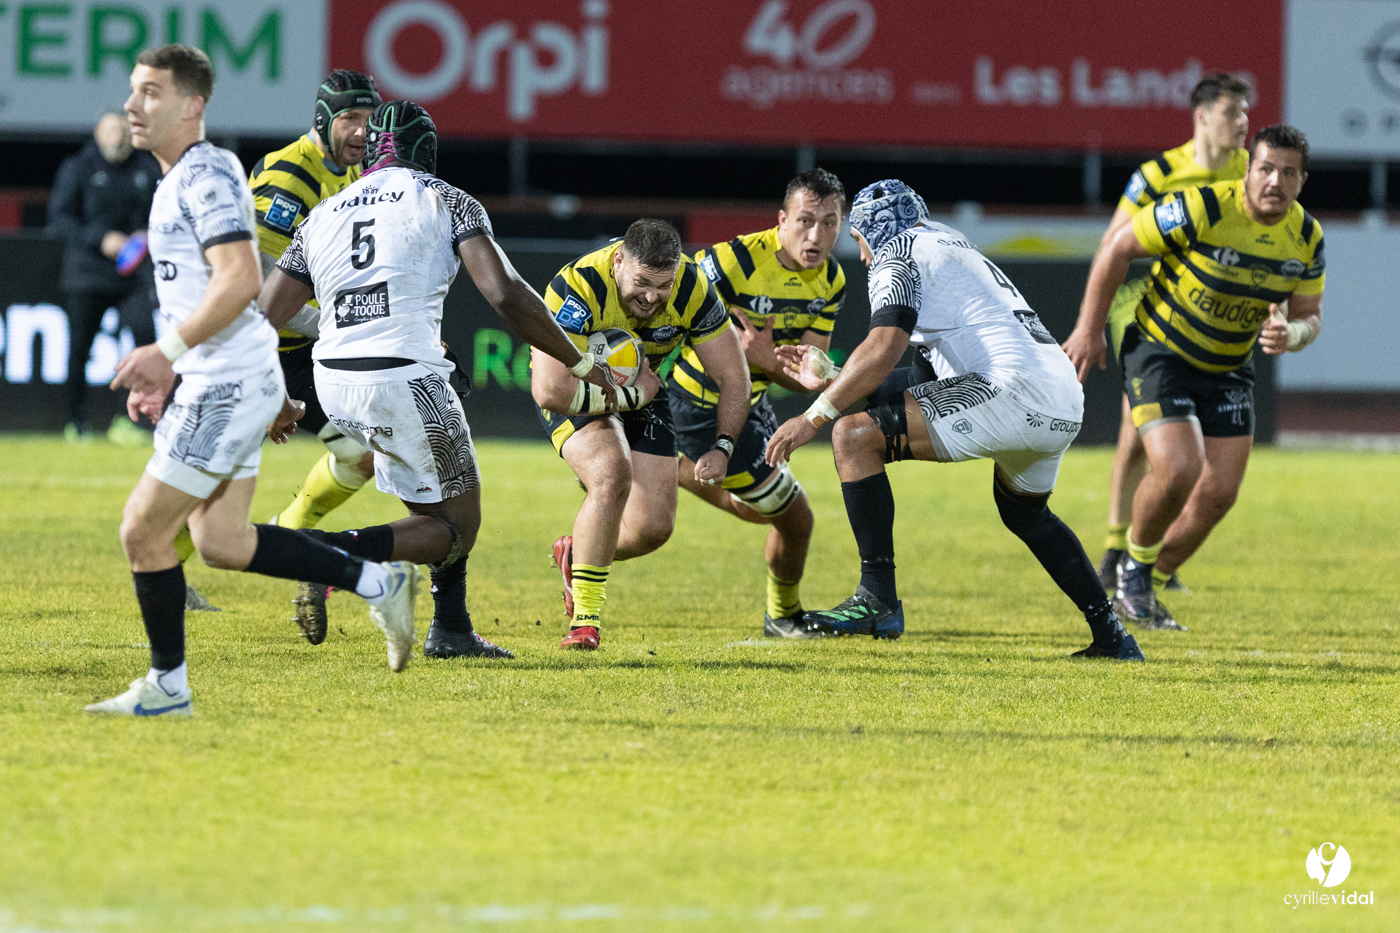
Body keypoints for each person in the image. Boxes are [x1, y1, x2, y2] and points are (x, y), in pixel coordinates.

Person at [88, 45, 418, 718]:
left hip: (222, 383)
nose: (131, 106)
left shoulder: (204, 175)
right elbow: (221, 291)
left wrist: (168, 352)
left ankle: (167, 686)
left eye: (150, 92)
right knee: (223, 542)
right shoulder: (187, 175)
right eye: (134, 91)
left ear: (193, 105)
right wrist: (211, 373)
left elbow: (244, 281)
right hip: (235, 374)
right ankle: (375, 579)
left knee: (141, 532)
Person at [260, 99, 619, 661]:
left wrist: (274, 394)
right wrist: (576, 359)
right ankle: (327, 551)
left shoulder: (322, 214)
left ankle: (450, 629)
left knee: (429, 507)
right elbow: (503, 294)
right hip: (403, 376)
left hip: (331, 382)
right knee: (457, 525)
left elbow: (262, 318)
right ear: (427, 152)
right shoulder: (447, 199)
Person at [765, 180, 1143, 662]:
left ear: (873, 230)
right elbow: (925, 375)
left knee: (852, 436)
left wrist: (814, 417)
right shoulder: (948, 246)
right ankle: (1113, 636)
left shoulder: (897, 252)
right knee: (1026, 514)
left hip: (1012, 390)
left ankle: (877, 597)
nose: (860, 255)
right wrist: (839, 379)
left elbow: (884, 347)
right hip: (1063, 395)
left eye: (857, 239)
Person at [1062, 125, 1324, 630]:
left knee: (1218, 494)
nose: (1275, 181)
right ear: (1248, 170)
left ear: (1301, 180)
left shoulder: (1307, 238)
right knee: (1181, 469)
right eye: (1266, 169)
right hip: (1161, 352)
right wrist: (1089, 328)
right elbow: (1118, 247)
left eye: (1288, 173)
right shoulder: (1203, 206)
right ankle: (1131, 573)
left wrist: (1290, 333)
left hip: (1228, 368)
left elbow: (1311, 316)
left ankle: (1142, 582)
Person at [532, 219, 749, 650]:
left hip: (641, 388)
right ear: (618, 262)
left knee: (652, 528)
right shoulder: (576, 287)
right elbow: (550, 390)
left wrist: (723, 446)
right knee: (611, 471)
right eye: (642, 283)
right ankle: (585, 621)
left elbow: (734, 375)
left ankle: (576, 556)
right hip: (575, 390)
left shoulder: (692, 287)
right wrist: (632, 396)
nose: (652, 297)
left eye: (662, 286)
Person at [666, 168, 847, 638]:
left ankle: (669, 467)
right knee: (797, 517)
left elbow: (807, 364)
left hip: (755, 401)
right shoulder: (732, 261)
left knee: (754, 509)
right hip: (703, 406)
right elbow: (667, 302)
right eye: (806, 221)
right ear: (782, 220)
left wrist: (802, 373)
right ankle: (783, 617)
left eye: (830, 222)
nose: (817, 235)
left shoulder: (831, 280)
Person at [1092, 72, 1253, 595]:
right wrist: (1087, 325)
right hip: (1147, 304)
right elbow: (1115, 241)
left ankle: (1146, 552)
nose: (1243, 122)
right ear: (1202, 116)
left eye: (1246, 113)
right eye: (1233, 112)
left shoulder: (1253, 172)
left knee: (1185, 446)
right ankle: (1119, 549)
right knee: (1135, 431)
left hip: (1208, 314)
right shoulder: (1160, 173)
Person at [252, 70, 382, 535]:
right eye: (350, 117)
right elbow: (256, 278)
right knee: (217, 464)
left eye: (370, 118)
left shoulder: (352, 171)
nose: (362, 131)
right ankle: (166, 569)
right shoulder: (291, 174)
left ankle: (285, 534)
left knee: (364, 456)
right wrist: (328, 323)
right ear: (324, 117)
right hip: (256, 346)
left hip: (301, 349)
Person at [48, 110, 160, 445]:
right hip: (87, 275)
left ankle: (130, 421)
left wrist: (146, 234)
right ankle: (76, 422)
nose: (118, 137)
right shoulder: (78, 168)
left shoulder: (146, 168)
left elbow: (164, 213)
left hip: (133, 277)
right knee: (79, 349)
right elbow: (60, 218)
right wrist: (101, 239)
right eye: (111, 131)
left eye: (124, 131)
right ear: (98, 135)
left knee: (145, 339)